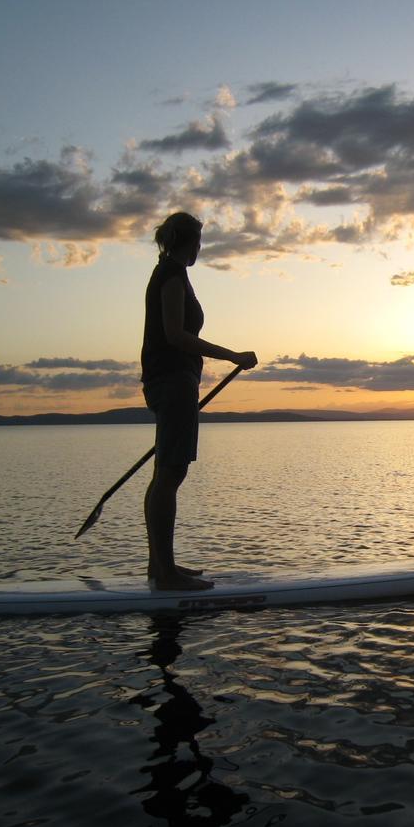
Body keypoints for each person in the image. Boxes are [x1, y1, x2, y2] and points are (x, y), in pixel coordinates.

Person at [141, 212, 257, 590]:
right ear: (190, 242)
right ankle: (166, 573)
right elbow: (175, 335)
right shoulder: (172, 275)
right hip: (173, 383)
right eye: (199, 241)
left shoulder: (170, 272)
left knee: (166, 474)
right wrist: (234, 355)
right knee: (171, 474)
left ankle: (160, 566)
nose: (200, 249)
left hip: (174, 381)